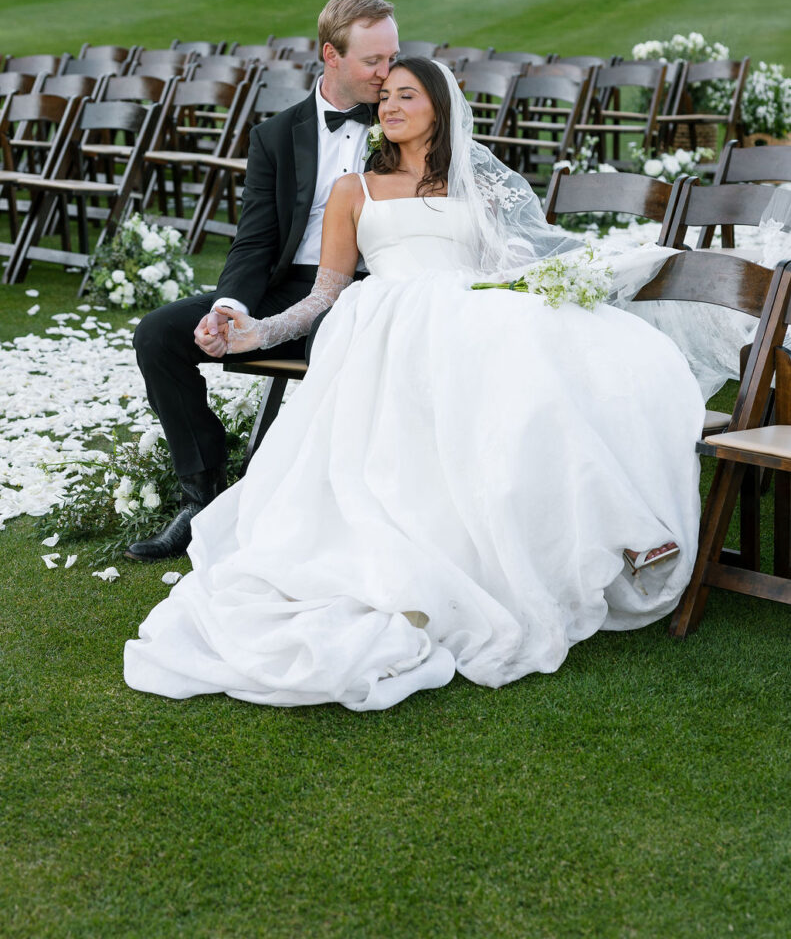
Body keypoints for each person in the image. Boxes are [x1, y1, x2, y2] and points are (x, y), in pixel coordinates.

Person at [124, 58, 706, 711]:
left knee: (557, 373)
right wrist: (255, 334)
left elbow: (517, 255)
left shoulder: (474, 184)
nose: (392, 104)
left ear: (440, 107)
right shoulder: (354, 188)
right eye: (387, 95)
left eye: (408, 94)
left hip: (473, 306)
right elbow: (323, 295)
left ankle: (618, 528)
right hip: (389, 317)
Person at [126, 0, 400, 562]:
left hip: (374, 290)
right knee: (157, 334)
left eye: (392, 57)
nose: (387, 72)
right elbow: (253, 241)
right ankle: (202, 496)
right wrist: (229, 308)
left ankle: (326, 506)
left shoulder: (402, 116)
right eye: (373, 61)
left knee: (346, 345)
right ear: (331, 55)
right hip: (289, 282)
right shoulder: (276, 135)